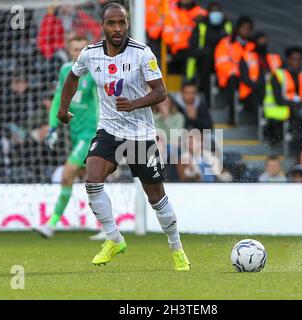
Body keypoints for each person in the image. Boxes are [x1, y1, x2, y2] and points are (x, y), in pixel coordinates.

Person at [57, 3, 190, 271]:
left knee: (156, 198)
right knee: (92, 181)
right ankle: (114, 239)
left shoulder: (142, 53)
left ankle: (177, 248)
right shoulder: (90, 54)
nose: (118, 28)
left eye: (122, 23)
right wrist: (63, 108)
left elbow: (161, 92)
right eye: (112, 23)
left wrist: (135, 103)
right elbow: (72, 76)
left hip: (140, 135)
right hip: (109, 130)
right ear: (102, 26)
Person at [34, 35, 100, 238]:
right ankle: (108, 228)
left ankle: (51, 224)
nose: (78, 53)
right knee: (91, 182)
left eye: (82, 48)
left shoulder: (95, 72)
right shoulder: (65, 70)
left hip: (90, 134)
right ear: (68, 51)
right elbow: (58, 98)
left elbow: (99, 103)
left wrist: (101, 131)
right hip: (75, 132)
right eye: (74, 49)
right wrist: (53, 127)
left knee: (67, 174)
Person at [185, 2, 232, 108]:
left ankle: (226, 101)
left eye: (218, 11)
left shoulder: (227, 26)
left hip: (222, 63)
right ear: (208, 13)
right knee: (205, 62)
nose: (215, 14)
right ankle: (207, 101)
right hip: (205, 62)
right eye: (213, 11)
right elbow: (192, 49)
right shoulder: (201, 26)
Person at [263, 46, 302, 146]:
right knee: (301, 120)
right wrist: (298, 104)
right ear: (288, 59)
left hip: (294, 109)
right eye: (294, 59)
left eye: (299, 59)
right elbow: (278, 99)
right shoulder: (277, 74)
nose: (296, 62)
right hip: (277, 110)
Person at [215, 15, 255, 124]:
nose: (245, 30)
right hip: (230, 77)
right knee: (233, 81)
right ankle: (232, 114)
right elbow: (221, 63)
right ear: (237, 28)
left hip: (248, 79)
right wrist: (239, 72)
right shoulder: (226, 43)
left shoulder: (253, 45)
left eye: (248, 28)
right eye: (243, 27)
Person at [239, 31, 282, 120]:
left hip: (272, 91)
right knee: (257, 97)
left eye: (264, 40)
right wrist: (258, 85)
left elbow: (283, 74)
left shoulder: (274, 57)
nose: (263, 42)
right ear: (255, 41)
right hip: (251, 92)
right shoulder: (247, 56)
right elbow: (244, 78)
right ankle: (261, 122)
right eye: (260, 40)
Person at [162, 0, 207, 74]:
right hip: (176, 51)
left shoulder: (200, 13)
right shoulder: (172, 13)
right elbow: (167, 35)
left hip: (195, 49)